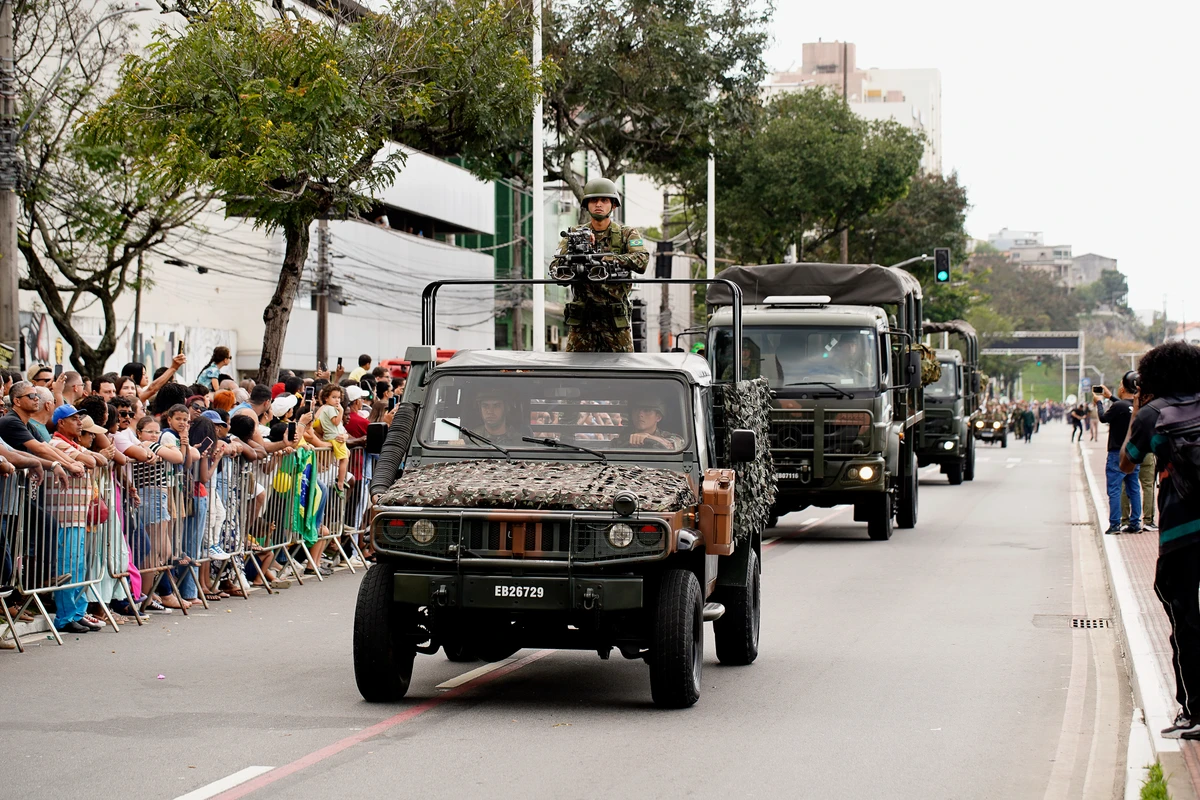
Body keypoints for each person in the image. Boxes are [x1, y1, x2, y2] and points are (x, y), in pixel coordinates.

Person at [1120, 342, 1200, 739]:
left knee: (1185, 619)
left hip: (1182, 532)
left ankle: (1193, 710)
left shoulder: (1153, 413)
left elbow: (1126, 461)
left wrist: (1138, 408)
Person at [550, 177, 649, 353]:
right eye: (594, 200)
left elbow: (642, 260)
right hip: (583, 320)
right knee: (573, 368)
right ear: (586, 205)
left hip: (615, 320)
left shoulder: (626, 234)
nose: (598, 204)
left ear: (614, 205)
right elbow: (555, 267)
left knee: (623, 367)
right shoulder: (574, 235)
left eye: (604, 200)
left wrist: (611, 260)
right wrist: (578, 254)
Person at [1098, 373, 1142, 534]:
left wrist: (1099, 403)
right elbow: (1126, 406)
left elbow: (1103, 418)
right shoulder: (1138, 407)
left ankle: (1115, 524)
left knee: (1114, 489)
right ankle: (1136, 522)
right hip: (1133, 452)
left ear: (1123, 388)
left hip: (1117, 452)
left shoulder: (1118, 407)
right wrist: (1110, 397)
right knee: (1134, 488)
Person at [315, 383, 350, 492]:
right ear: (326, 398)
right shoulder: (330, 409)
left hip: (333, 437)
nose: (337, 400)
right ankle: (340, 482)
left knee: (347, 454)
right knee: (344, 459)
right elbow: (336, 422)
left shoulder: (326, 408)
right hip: (335, 438)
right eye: (334, 397)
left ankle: (340, 478)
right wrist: (341, 412)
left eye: (339, 397)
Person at [615, 400, 683, 450]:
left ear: (658, 417)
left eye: (647, 410)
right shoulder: (623, 439)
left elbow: (677, 446)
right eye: (636, 410)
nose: (640, 414)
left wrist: (649, 437)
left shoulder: (667, 436)